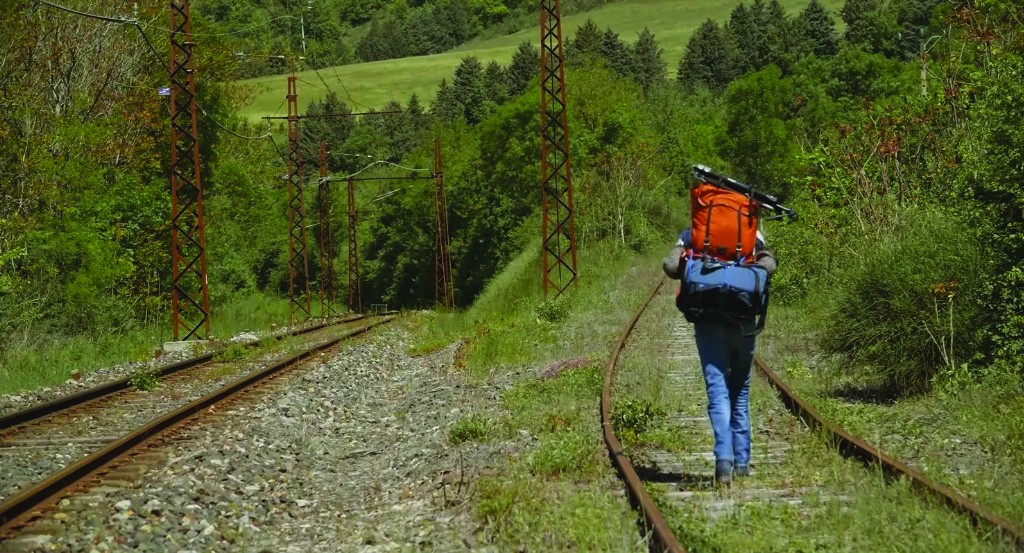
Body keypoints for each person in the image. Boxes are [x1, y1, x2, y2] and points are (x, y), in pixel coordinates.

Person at [663, 228, 777, 486]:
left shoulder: (695, 232)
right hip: (744, 321)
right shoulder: (753, 233)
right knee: (740, 389)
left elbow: (670, 266)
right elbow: (769, 266)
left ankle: (723, 459)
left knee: (717, 389)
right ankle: (742, 462)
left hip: (708, 321)